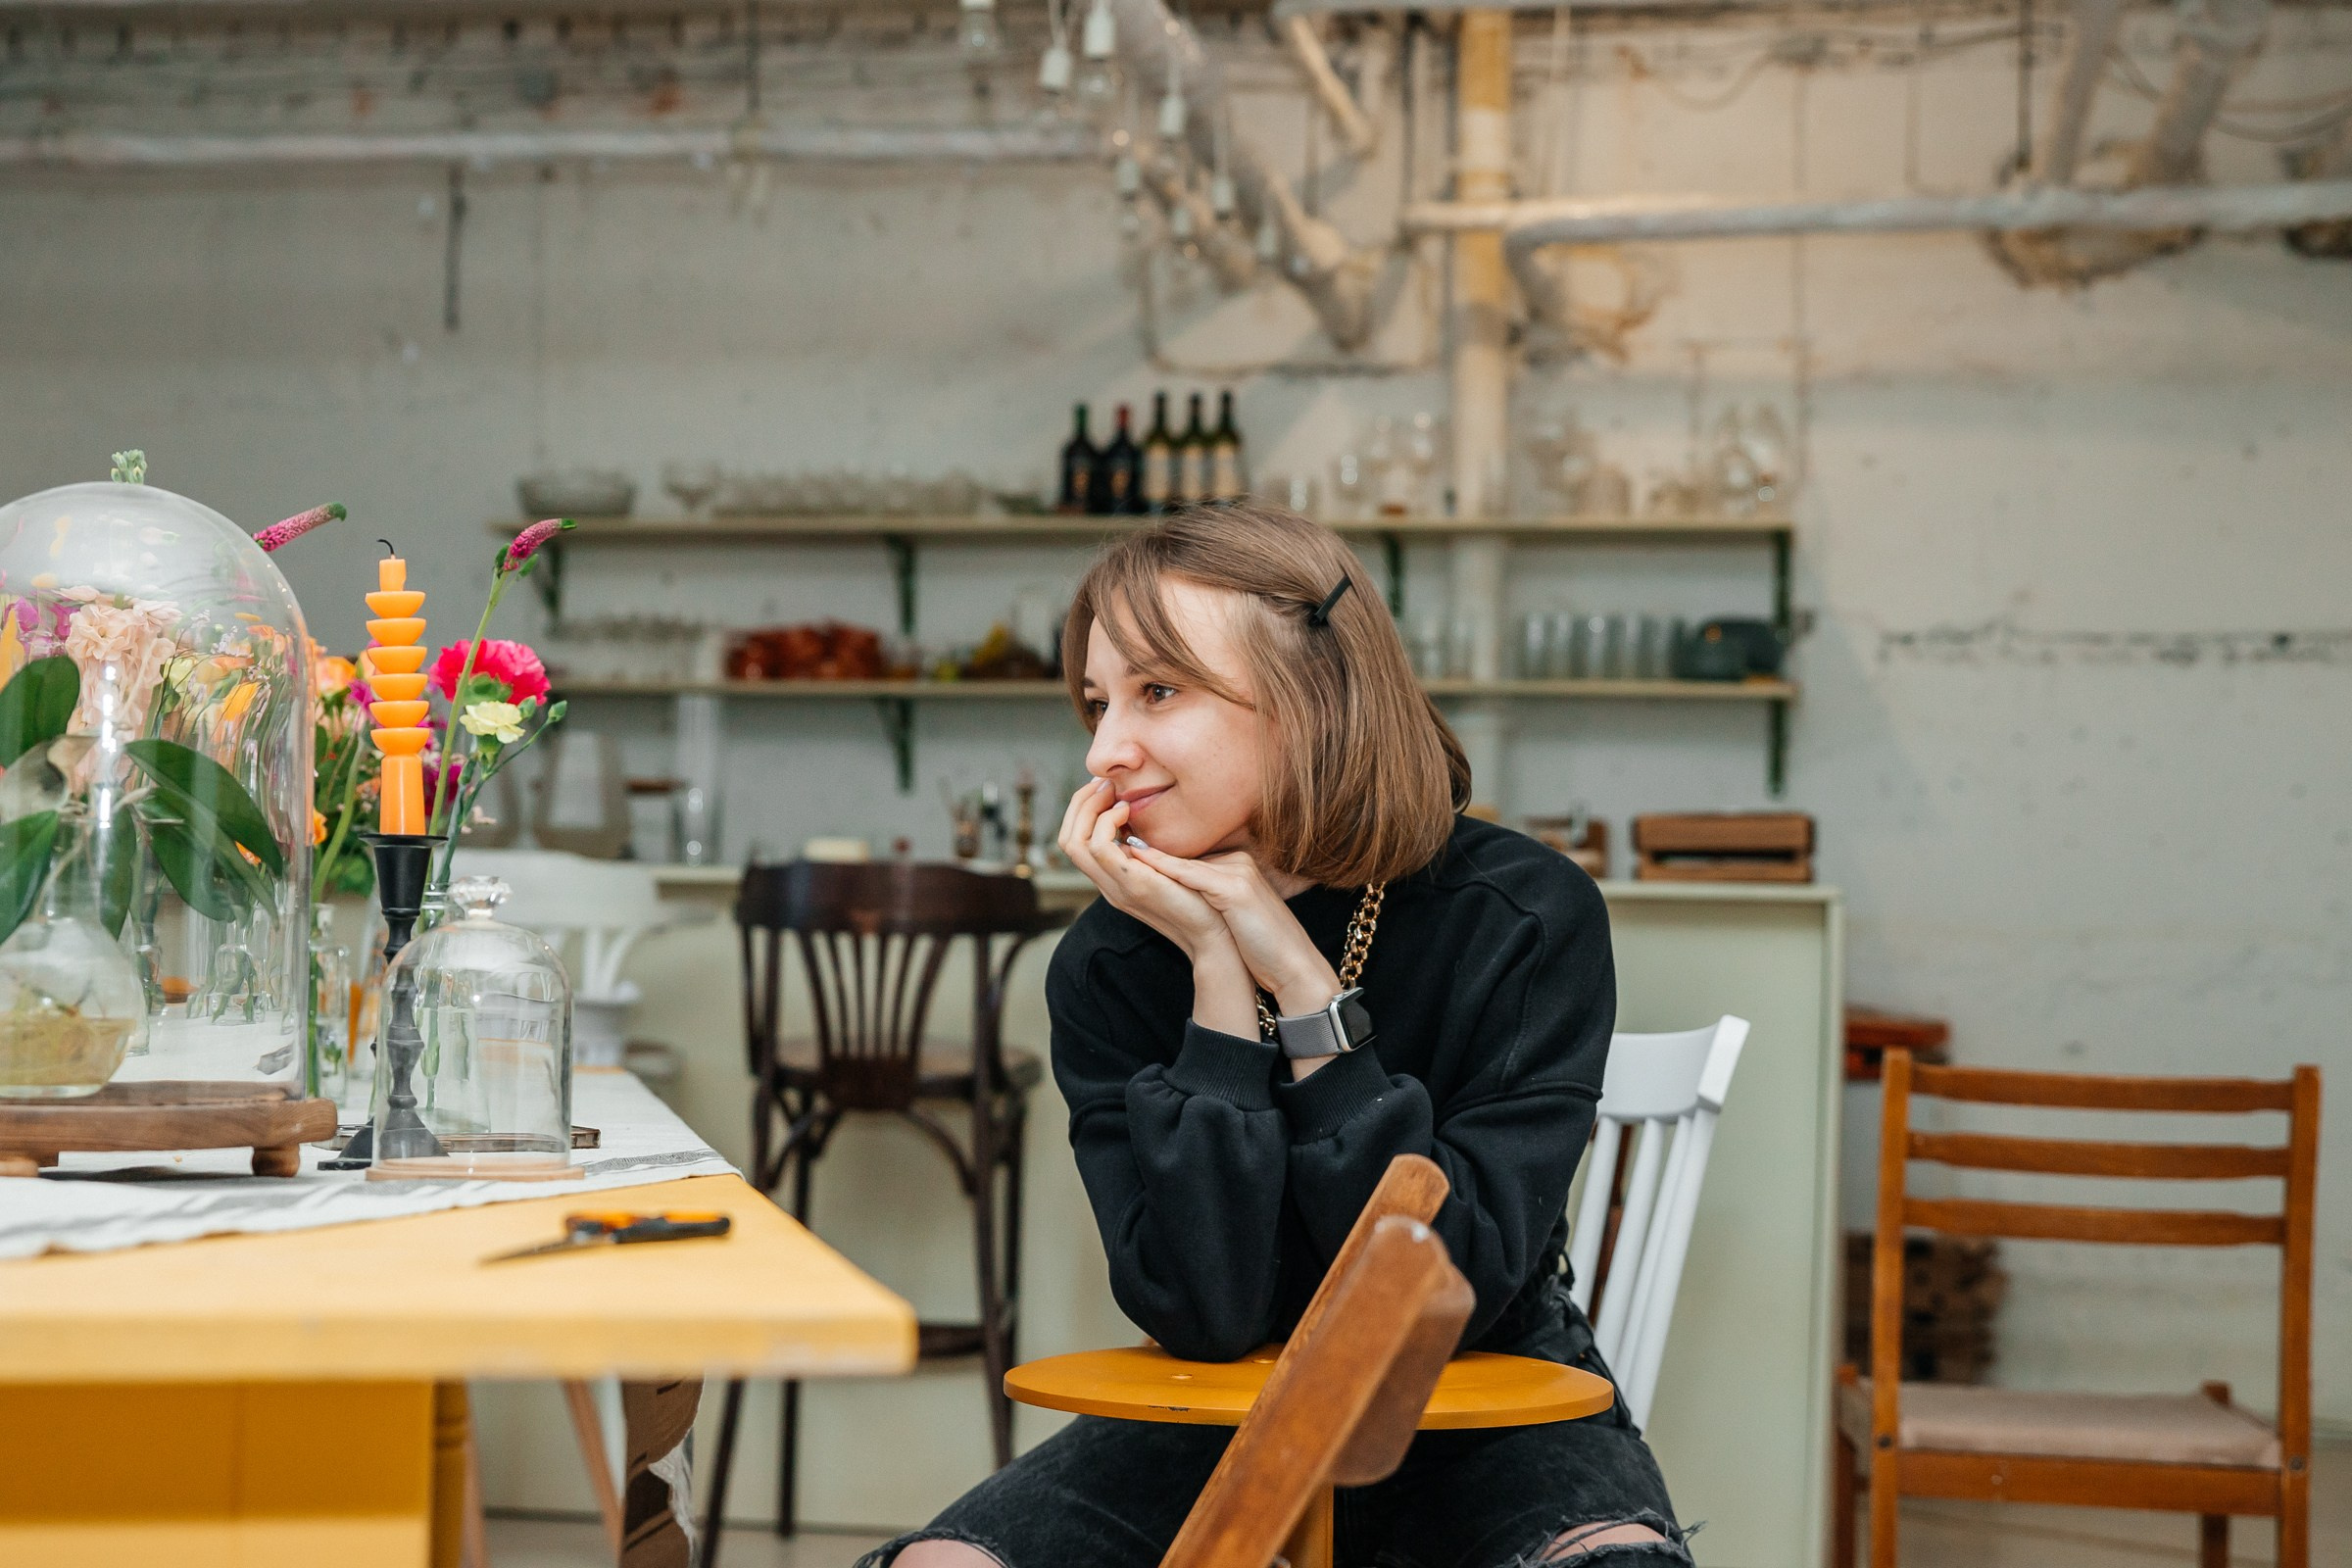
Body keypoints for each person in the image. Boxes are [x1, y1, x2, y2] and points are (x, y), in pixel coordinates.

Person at [868, 504, 1690, 1567]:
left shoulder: (1521, 915)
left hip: (1484, 1396)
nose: (1108, 750)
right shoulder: (1111, 964)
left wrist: (1301, 985)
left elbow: (1453, 1286)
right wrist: (1217, 974)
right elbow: (1204, 1311)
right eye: (1096, 703)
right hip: (1216, 1407)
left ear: (1311, 697)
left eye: (1158, 691)